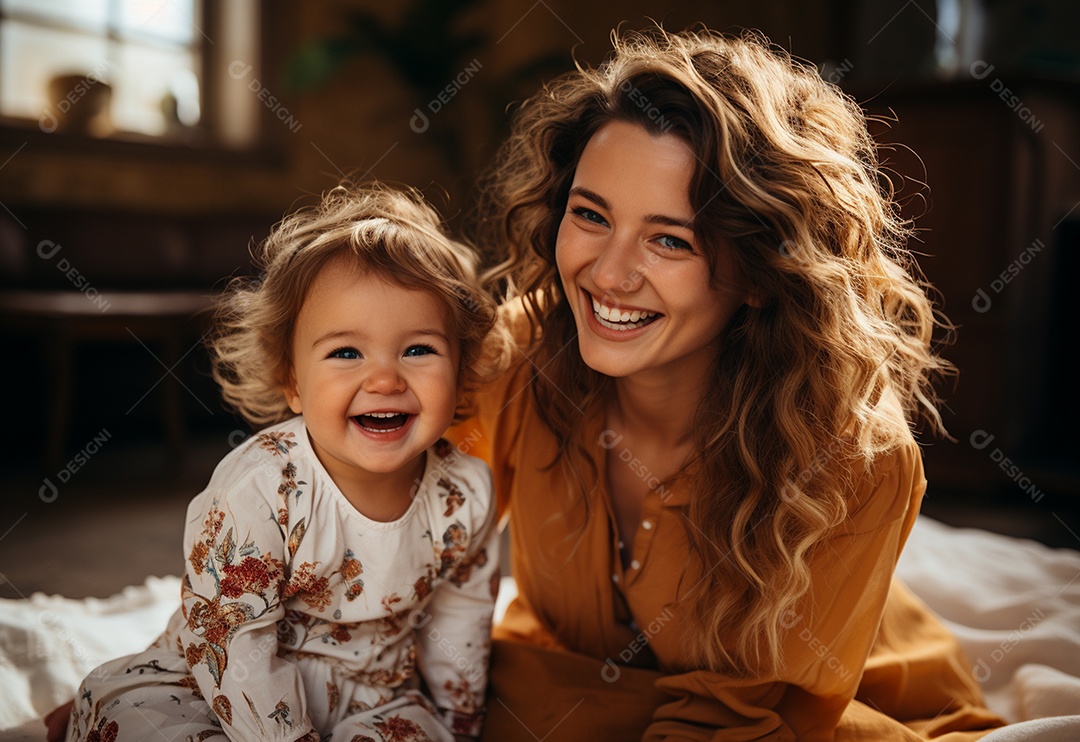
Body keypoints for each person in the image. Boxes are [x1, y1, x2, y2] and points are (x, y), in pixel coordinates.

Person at [446, 27, 1006, 740]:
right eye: (590, 215)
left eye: (669, 239)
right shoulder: (521, 352)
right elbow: (396, 527)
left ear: (758, 272)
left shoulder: (858, 462)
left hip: (829, 707)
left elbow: (751, 724)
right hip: (562, 684)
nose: (608, 274)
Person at [57, 184, 503, 742]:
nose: (385, 379)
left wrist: (458, 724)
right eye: (346, 352)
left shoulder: (466, 492)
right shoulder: (264, 488)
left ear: (460, 372)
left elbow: (460, 619)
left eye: (419, 349)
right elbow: (229, 639)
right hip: (221, 690)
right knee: (137, 720)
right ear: (292, 381)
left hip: (374, 695)